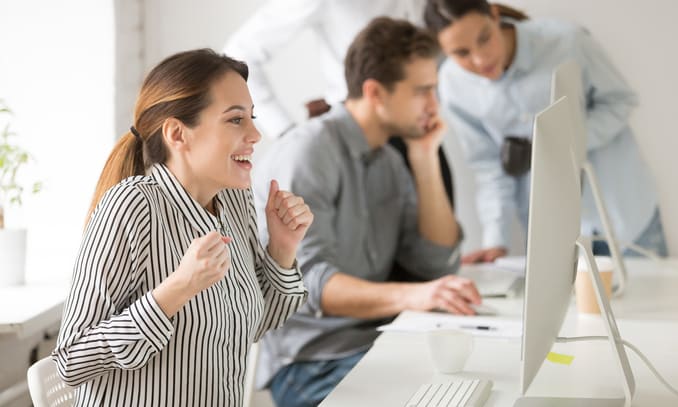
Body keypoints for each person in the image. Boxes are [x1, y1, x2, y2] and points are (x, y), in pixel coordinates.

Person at [52, 49, 312, 406]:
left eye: (252, 118)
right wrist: (176, 290)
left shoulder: (234, 202)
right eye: (236, 120)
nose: (255, 134)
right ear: (178, 133)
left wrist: (282, 250)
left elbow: (251, 325)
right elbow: (70, 361)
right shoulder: (131, 207)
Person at [251, 17, 483, 407]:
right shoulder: (310, 151)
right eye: (422, 91)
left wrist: (425, 159)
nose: (434, 105)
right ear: (376, 92)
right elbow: (309, 286)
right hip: (313, 360)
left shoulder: (390, 160)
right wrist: (416, 296)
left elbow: (434, 262)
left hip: (378, 341)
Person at [424, 0, 668, 263]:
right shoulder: (453, 86)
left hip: (624, 216)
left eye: (484, 38)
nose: (480, 59)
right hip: (552, 232)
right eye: (461, 53)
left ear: (494, 15)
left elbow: (620, 101)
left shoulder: (566, 41)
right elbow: (488, 166)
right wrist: (496, 240)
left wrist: (558, 144)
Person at [223, 0, 456, 205]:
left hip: (421, 131)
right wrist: (288, 133)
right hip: (359, 141)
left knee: (438, 246)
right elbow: (238, 55)